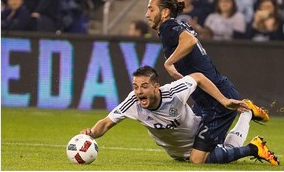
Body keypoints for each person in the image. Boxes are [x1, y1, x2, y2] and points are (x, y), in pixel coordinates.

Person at [146, 0, 263, 164]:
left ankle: (253, 147)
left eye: (150, 9)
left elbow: (190, 40)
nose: (147, 14)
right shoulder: (171, 23)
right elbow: (161, 6)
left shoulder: (168, 28)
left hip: (218, 101)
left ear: (164, 13)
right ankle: (246, 113)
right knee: (194, 147)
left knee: (198, 159)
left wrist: (169, 63)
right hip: (207, 98)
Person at [81, 66, 279, 165]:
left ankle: (254, 147)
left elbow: (198, 77)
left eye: (144, 86)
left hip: (199, 132)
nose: (138, 91)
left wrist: (223, 100)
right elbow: (106, 123)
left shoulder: (173, 92)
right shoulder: (133, 102)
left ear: (156, 87)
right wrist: (90, 135)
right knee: (213, 152)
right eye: (135, 87)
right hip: (177, 152)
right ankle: (247, 113)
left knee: (203, 159)